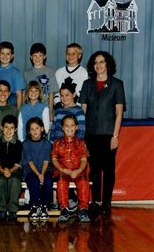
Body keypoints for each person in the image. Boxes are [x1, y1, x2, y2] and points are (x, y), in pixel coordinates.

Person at [80, 51, 126, 216]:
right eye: (95, 63)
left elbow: (119, 113)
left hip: (108, 134)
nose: (98, 65)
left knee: (108, 169)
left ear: (108, 65)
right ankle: (96, 201)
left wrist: (115, 136)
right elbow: (83, 111)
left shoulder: (117, 84)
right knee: (94, 170)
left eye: (102, 62)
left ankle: (106, 202)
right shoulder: (87, 84)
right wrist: (84, 136)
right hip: (91, 134)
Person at [52, 114, 90, 223]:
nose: (69, 128)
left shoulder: (81, 143)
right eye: (66, 126)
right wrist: (62, 169)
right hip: (63, 171)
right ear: (62, 128)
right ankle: (64, 209)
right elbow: (54, 159)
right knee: (61, 182)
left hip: (78, 171)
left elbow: (83, 159)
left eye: (72, 125)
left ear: (77, 127)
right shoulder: (57, 143)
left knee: (84, 182)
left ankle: (83, 209)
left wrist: (78, 171)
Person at [22, 117, 53, 221]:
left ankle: (44, 206)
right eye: (32, 129)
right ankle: (34, 206)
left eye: (37, 128)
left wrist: (42, 173)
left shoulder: (47, 144)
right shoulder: (25, 144)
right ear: (28, 131)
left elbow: (46, 161)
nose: (35, 131)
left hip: (45, 169)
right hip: (31, 170)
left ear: (42, 129)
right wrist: (38, 174)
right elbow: (29, 162)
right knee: (34, 181)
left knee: (48, 181)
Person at [0, 115, 23, 222]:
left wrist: (10, 171)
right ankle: (1, 210)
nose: (8, 130)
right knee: (0, 181)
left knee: (14, 181)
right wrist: (3, 171)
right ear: (1, 127)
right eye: (6, 127)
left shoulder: (19, 144)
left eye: (11, 128)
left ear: (15, 129)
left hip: (14, 170)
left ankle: (13, 211)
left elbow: (19, 162)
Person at [23, 43, 59, 120]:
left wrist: (50, 112)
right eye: (35, 55)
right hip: (31, 109)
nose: (37, 58)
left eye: (40, 55)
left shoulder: (49, 71)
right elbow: (24, 95)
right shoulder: (27, 73)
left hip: (45, 109)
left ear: (45, 56)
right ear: (31, 57)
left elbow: (51, 94)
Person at [54, 43, 88, 107]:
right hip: (60, 107)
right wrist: (59, 105)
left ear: (79, 55)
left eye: (73, 54)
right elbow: (55, 93)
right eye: (68, 54)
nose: (70, 56)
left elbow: (83, 94)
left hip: (76, 108)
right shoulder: (59, 72)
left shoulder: (83, 72)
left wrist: (75, 106)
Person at [0, 41, 26, 108]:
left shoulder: (16, 73)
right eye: (2, 53)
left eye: (8, 54)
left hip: (11, 103)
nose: (5, 56)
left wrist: (18, 112)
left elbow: (19, 94)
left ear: (12, 56)